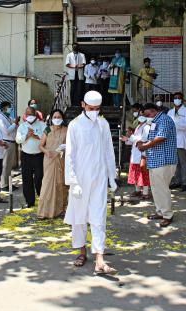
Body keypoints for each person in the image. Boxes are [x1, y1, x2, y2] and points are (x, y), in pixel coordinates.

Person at [65, 90, 118, 274]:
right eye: (91, 108)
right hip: (80, 179)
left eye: (97, 108)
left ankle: (99, 259)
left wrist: (112, 176)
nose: (94, 111)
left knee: (98, 217)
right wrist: (73, 181)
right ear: (83, 105)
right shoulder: (75, 125)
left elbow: (108, 152)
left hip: (100, 178)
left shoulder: (102, 124)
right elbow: (70, 155)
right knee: (79, 218)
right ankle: (81, 251)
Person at [137, 103, 178, 227]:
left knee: (162, 189)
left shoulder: (164, 119)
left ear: (154, 111)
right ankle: (160, 211)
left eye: (147, 114)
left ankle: (167, 215)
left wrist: (144, 146)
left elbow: (161, 138)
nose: (146, 117)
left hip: (164, 161)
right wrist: (142, 145)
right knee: (155, 189)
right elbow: (152, 138)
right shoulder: (155, 121)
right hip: (155, 160)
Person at [37, 110, 68, 219]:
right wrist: (46, 151)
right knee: (47, 184)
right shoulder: (47, 130)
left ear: (62, 118)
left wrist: (60, 150)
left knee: (61, 184)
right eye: (54, 117)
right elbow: (40, 145)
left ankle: (61, 210)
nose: (56, 118)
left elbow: (69, 145)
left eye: (59, 116)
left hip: (61, 159)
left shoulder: (66, 130)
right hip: (49, 159)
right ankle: (44, 212)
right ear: (51, 118)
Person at [16, 106, 46, 208]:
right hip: (26, 156)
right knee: (27, 179)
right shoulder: (22, 126)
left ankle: (42, 197)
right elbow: (18, 140)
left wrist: (36, 135)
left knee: (39, 177)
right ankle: (30, 201)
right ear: (25, 115)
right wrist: (27, 136)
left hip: (39, 155)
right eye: (28, 114)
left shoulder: (42, 125)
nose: (30, 116)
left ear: (35, 115)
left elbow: (48, 137)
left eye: (32, 114)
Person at [120, 107, 151, 200]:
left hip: (142, 153)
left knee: (143, 173)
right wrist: (127, 139)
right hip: (135, 153)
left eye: (142, 115)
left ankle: (145, 192)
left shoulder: (147, 127)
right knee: (136, 173)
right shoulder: (138, 126)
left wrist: (132, 137)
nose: (140, 116)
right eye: (140, 114)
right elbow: (134, 140)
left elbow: (143, 140)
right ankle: (137, 190)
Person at [168, 92, 186, 191]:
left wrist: (174, 124)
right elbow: (167, 125)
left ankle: (185, 182)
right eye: (175, 98)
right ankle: (177, 181)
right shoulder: (170, 112)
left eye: (179, 98)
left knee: (183, 162)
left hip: (181, 140)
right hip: (171, 140)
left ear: (182, 99)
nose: (177, 99)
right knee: (175, 163)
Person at [0, 101, 20, 191]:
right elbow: (6, 131)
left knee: (9, 165)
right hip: (6, 143)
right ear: (3, 108)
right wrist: (15, 123)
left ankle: (8, 183)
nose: (11, 109)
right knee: (5, 164)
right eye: (9, 107)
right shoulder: (0, 118)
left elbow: (14, 130)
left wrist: (16, 124)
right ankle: (3, 184)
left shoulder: (10, 118)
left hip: (12, 142)